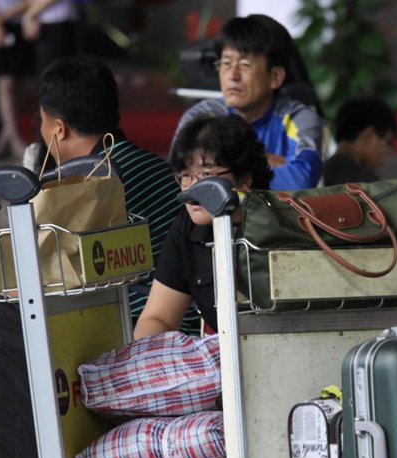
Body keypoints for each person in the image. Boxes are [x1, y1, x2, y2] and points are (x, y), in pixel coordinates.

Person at [36, 56, 185, 325]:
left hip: (142, 325)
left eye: (42, 121)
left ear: (59, 129)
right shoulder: (158, 166)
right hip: (187, 316)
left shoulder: (88, 187)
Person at [135, 116, 273, 338]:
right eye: (186, 176)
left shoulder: (274, 225)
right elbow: (157, 317)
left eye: (206, 175)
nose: (192, 189)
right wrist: (151, 353)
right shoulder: (186, 228)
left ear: (244, 180)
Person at [171, 14, 322, 191]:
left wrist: (226, 172)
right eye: (226, 63)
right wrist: (264, 163)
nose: (232, 75)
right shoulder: (202, 117)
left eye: (244, 65)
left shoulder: (299, 118)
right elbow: (179, 179)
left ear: (275, 77)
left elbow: (302, 181)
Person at [0, 0, 77, 159]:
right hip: (26, 20)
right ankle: (13, 138)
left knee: (45, 83)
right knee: (13, 82)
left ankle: (40, 143)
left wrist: (28, 14)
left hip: (36, 19)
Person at [323, 96, 397, 186]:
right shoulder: (366, 185)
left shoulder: (319, 173)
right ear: (369, 135)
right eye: (388, 142)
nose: (387, 151)